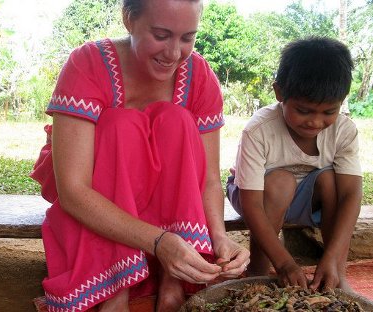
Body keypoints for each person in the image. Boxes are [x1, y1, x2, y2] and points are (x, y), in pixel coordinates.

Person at [31, 0, 250, 311]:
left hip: (162, 193)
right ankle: (116, 287)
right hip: (89, 186)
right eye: (161, 35)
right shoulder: (88, 63)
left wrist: (220, 237)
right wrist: (160, 242)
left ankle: (171, 282)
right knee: (121, 124)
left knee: (177, 121)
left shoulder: (198, 75)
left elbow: (210, 179)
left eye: (187, 37)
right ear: (128, 19)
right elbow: (73, 191)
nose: (174, 53)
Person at [226, 37, 362, 292]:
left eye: (329, 112)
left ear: (342, 102)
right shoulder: (259, 129)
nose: (316, 122)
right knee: (281, 182)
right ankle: (257, 269)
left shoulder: (344, 131)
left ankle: (336, 272)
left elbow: (351, 194)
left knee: (330, 180)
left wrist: (331, 257)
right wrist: (285, 262)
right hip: (254, 195)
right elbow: (251, 204)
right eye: (304, 110)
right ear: (280, 93)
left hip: (306, 199)